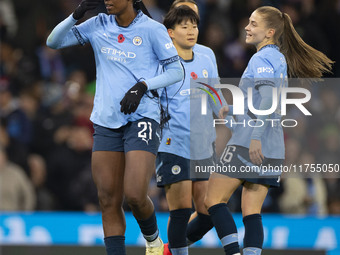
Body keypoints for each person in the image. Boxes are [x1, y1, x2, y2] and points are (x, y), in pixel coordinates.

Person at [46, 0, 184, 254]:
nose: (107, 0)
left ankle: (153, 240)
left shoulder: (152, 29)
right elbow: (53, 42)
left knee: (134, 194)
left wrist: (143, 86)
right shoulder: (97, 24)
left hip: (142, 118)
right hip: (107, 120)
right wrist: (77, 13)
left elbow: (176, 71)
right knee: (108, 199)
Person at [204, 6, 333, 255]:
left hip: (250, 143)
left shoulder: (261, 58)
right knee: (251, 213)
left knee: (212, 200)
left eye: (253, 24)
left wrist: (253, 137)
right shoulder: (278, 58)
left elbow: (267, 98)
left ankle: (233, 253)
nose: (246, 27)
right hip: (274, 146)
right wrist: (231, 109)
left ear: (269, 32)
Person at [156, 5, 228, 255]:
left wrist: (222, 109)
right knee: (181, 210)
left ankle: (169, 250)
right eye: (184, 23)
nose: (190, 29)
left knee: (208, 211)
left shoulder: (207, 54)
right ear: (171, 29)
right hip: (173, 140)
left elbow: (213, 90)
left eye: (194, 23)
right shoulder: (159, 56)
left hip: (203, 142)